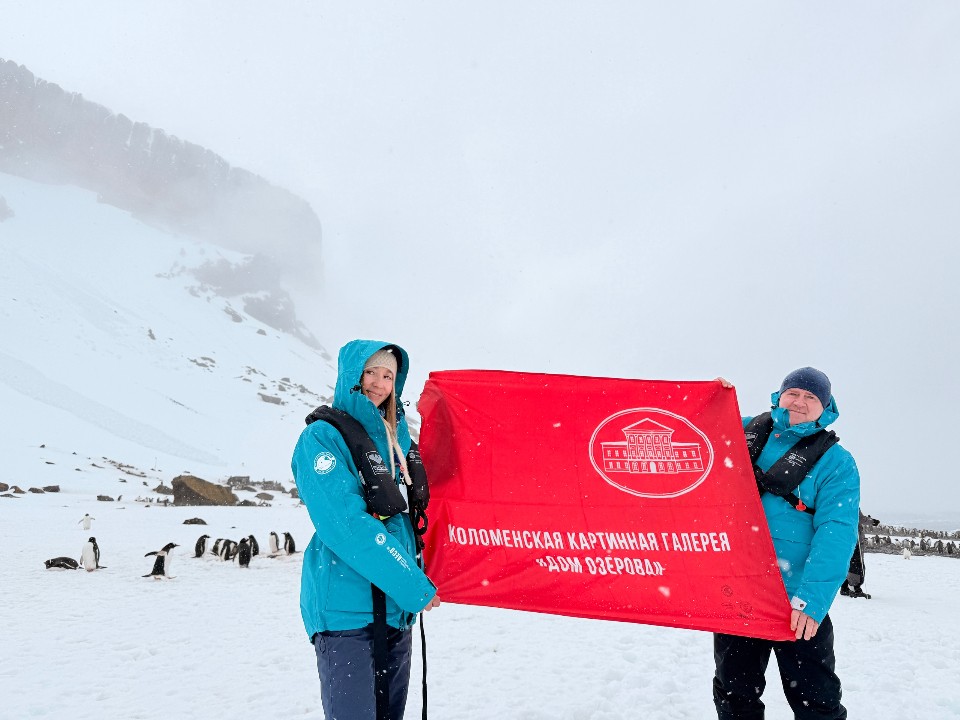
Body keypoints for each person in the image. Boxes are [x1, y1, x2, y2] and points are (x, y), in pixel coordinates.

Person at [292, 340, 440, 720]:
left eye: (387, 375)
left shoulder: (399, 445)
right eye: (369, 371)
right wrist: (413, 585)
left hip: (394, 612)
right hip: (346, 613)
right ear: (350, 375)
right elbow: (345, 525)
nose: (377, 382)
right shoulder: (321, 439)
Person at [714, 367, 860, 720]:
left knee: (817, 701)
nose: (800, 401)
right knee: (735, 695)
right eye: (793, 392)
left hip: (795, 600)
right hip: (739, 593)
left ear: (824, 407)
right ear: (779, 396)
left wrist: (811, 600)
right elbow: (690, 434)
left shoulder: (836, 462)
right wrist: (711, 399)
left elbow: (836, 532)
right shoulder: (741, 430)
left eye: (811, 397)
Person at [840, 510, 880, 599]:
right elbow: (859, 518)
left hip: (845, 537)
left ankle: (845, 587)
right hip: (854, 538)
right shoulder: (851, 500)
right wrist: (872, 521)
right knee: (857, 564)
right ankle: (854, 589)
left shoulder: (839, 500)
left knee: (849, 562)